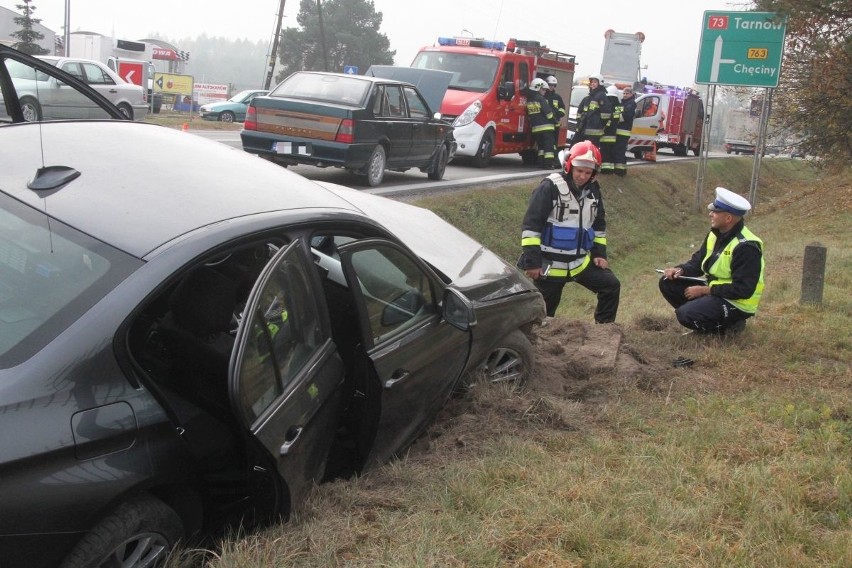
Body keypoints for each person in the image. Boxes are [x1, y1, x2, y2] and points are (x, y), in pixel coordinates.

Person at [519, 140, 621, 323]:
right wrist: (532, 262)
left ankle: (605, 334)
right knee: (544, 316)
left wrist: (599, 254)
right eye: (579, 170)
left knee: (611, 286)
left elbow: (598, 226)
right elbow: (531, 226)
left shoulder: (594, 192)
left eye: (588, 172)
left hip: (579, 263)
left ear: (593, 174)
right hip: (549, 265)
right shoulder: (549, 187)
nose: (582, 176)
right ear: (569, 166)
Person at [659, 187, 765, 335]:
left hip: (737, 302)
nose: (710, 214)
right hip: (717, 291)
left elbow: (743, 290)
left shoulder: (746, 246)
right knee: (667, 282)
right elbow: (698, 262)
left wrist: (704, 291)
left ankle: (727, 325)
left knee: (685, 314)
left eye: (715, 212)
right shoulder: (715, 234)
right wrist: (680, 270)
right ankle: (707, 318)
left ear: (728, 218)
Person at [526, 77, 559, 168]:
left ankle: (541, 163)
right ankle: (548, 164)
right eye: (543, 89)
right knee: (549, 148)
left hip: (536, 129)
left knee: (541, 148)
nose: (545, 92)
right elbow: (548, 113)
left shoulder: (529, 100)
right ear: (538, 88)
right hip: (547, 128)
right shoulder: (541, 99)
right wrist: (555, 121)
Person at [573, 74, 611, 150]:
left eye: (595, 82)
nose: (592, 84)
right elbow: (581, 112)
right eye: (592, 82)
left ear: (600, 83)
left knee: (591, 152)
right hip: (584, 130)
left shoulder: (601, 96)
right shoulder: (590, 97)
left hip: (594, 132)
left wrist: (597, 124)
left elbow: (606, 115)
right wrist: (579, 123)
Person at [599, 85, 622, 174]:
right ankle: (610, 169)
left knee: (604, 151)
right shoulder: (618, 106)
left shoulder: (608, 104)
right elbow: (618, 119)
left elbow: (606, 118)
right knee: (610, 151)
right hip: (613, 133)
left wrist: (603, 127)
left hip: (606, 132)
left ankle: (605, 170)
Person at [613, 85, 636, 176]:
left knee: (620, 151)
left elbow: (626, 116)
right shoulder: (622, 103)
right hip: (618, 131)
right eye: (624, 93)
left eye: (627, 93)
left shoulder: (631, 103)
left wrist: (616, 119)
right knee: (616, 150)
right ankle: (618, 169)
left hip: (624, 132)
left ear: (631, 94)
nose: (625, 95)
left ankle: (620, 171)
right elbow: (617, 113)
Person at [544, 75, 566, 139]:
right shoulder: (543, 96)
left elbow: (562, 108)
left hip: (555, 124)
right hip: (545, 124)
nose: (552, 87)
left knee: (554, 143)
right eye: (550, 85)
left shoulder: (557, 97)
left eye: (553, 85)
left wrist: (559, 114)